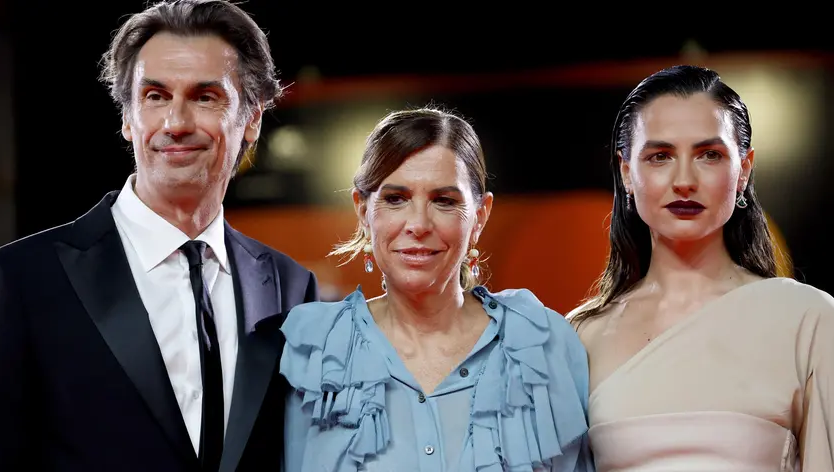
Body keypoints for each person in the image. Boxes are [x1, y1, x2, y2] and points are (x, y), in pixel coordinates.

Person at [0, 1, 318, 470]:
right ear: (128, 118)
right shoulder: (21, 280)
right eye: (155, 96)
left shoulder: (290, 288)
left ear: (251, 120)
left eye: (205, 97)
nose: (176, 123)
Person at [279, 107, 595, 472]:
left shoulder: (543, 345)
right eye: (395, 198)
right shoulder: (312, 352)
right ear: (363, 211)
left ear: (480, 216)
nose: (418, 224)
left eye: (444, 201)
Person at [567, 65, 834, 470]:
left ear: (743, 170)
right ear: (627, 173)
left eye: (709, 154)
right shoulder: (581, 336)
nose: (684, 180)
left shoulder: (808, 319)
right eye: (660, 156)